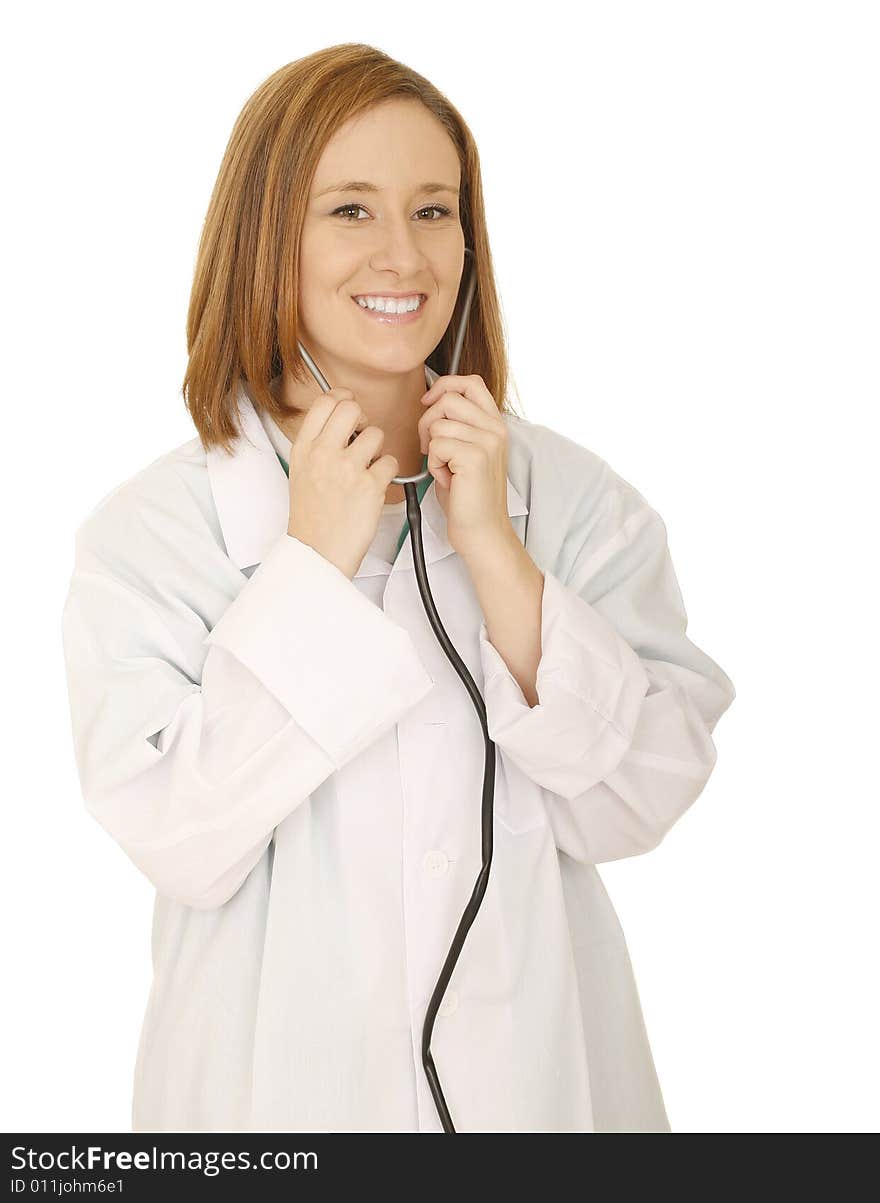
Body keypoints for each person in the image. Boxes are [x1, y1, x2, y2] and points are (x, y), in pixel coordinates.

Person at [60, 44, 736, 1133]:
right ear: (265, 232)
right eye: (349, 211)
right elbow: (181, 839)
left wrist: (495, 555)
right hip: (264, 1111)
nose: (402, 254)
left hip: (544, 1091)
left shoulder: (569, 500)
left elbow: (643, 800)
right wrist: (309, 571)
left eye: (434, 210)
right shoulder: (156, 533)